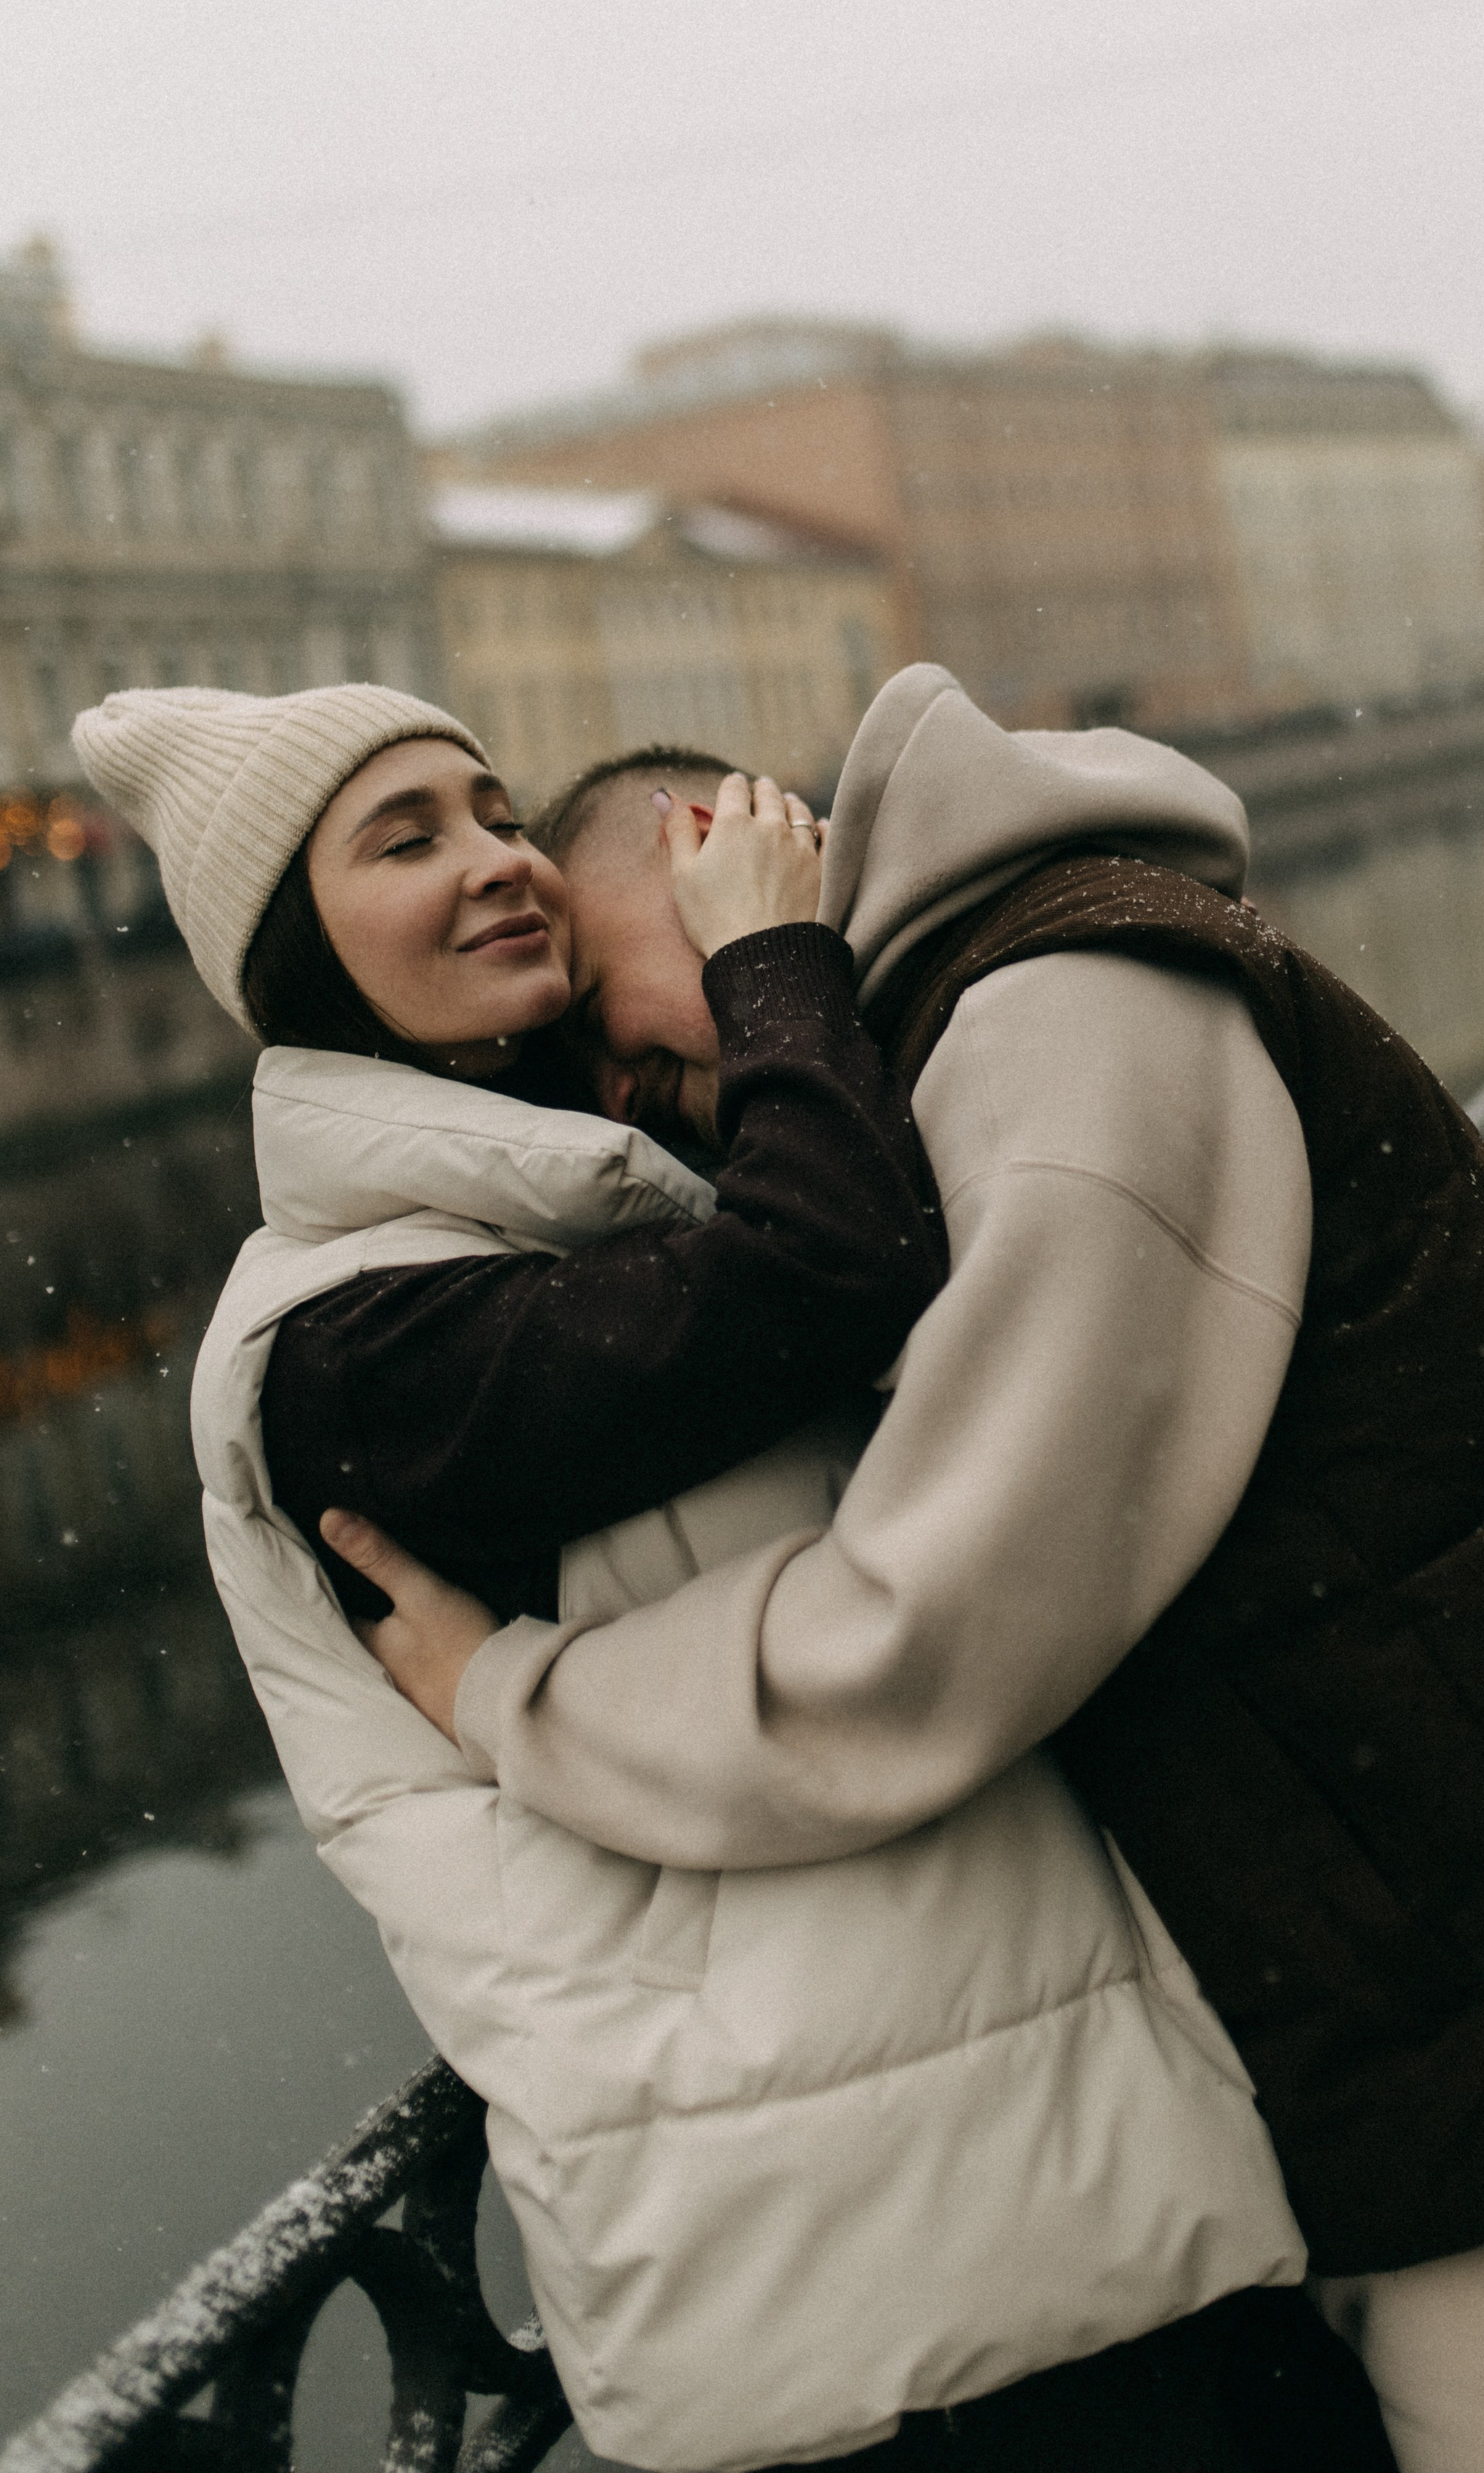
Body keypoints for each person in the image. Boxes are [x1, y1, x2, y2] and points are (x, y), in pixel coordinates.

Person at [332, 661, 1484, 2473]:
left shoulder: (1055, 1016)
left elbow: (932, 1631)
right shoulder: (1005, 1009)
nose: (625, 1092)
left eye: (610, 1008)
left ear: (722, 848)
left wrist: (516, 1696)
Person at [70, 682, 1369, 2473]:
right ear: (299, 958)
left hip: (1043, 2184)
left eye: (493, 808)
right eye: (405, 839)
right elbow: (831, 1266)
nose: (494, 862)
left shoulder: (562, 1201)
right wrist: (769, 960)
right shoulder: (349, 1350)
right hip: (863, 2287)